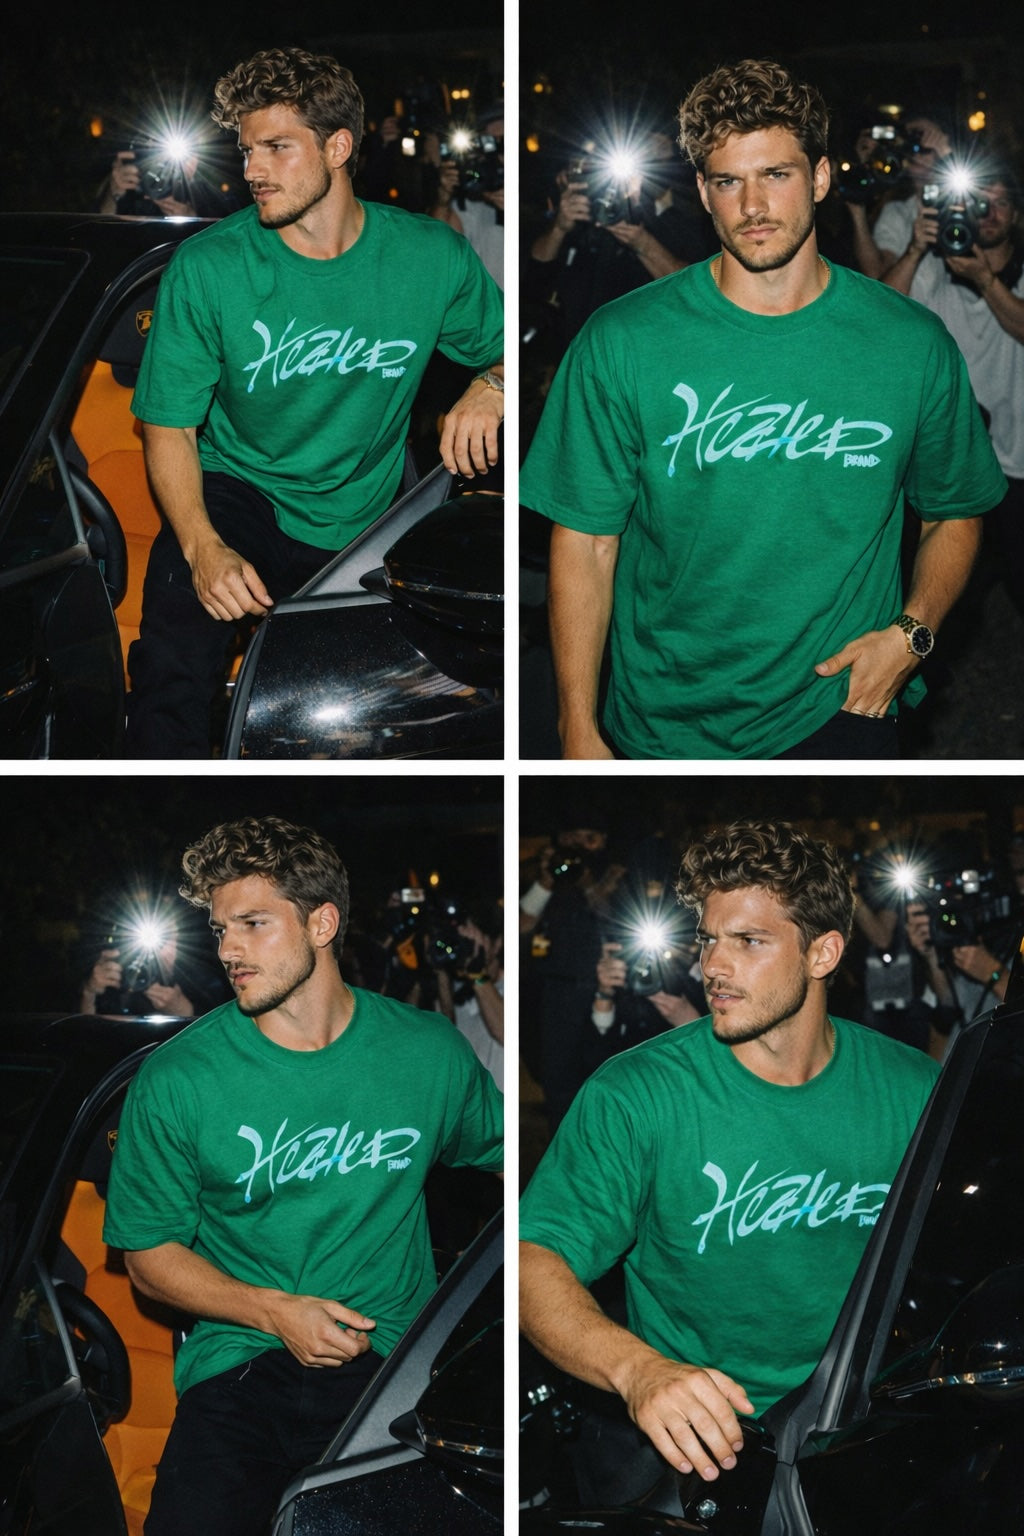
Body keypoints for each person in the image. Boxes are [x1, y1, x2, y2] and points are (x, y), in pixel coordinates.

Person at [517, 59, 1006, 761]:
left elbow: (955, 508)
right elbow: (587, 543)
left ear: (821, 178)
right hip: (663, 714)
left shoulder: (908, 341)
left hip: (840, 702)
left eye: (775, 174)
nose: (752, 205)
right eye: (728, 181)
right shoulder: (622, 339)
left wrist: (912, 633)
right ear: (702, 192)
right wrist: (575, 724)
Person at [102, 815, 503, 1535]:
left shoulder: (427, 1053)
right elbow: (148, 1259)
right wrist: (276, 1312)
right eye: (221, 929)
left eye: (252, 924)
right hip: (239, 1365)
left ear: (322, 923)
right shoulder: (178, 1077)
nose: (229, 949)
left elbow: (526, 1170)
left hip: (390, 1369)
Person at [519, 819, 939, 1499]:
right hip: (696, 1448)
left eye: (749, 941)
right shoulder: (637, 1092)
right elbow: (533, 1260)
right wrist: (639, 1372)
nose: (713, 965)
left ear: (823, 953)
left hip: (867, 1435)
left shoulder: (915, 1090)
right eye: (710, 939)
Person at [124, 46, 504, 758]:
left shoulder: (430, 257)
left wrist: (494, 383)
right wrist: (204, 548)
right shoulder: (210, 267)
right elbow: (167, 427)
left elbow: (520, 342)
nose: (251, 170)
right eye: (244, 149)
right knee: (173, 660)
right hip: (244, 492)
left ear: (337, 147)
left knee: (408, 710)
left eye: (275, 147)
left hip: (372, 509)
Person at [878, 159, 1024, 617]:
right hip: (952, 457)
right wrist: (914, 250)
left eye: (1002, 204)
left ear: (1017, 216)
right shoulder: (935, 266)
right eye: (982, 203)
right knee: (942, 589)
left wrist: (985, 279)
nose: (990, 214)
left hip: (1018, 458)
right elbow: (882, 318)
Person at [524, 129, 716, 358]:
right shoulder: (589, 211)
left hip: (647, 359)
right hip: (578, 354)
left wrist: (643, 244)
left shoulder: (686, 220)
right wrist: (559, 227)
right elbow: (534, 280)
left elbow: (699, 296)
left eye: (657, 150)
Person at [427, 104, 505, 287]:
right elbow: (437, 246)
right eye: (490, 142)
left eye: (504, 142)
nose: (496, 152)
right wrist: (444, 194)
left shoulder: (534, 197)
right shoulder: (472, 199)